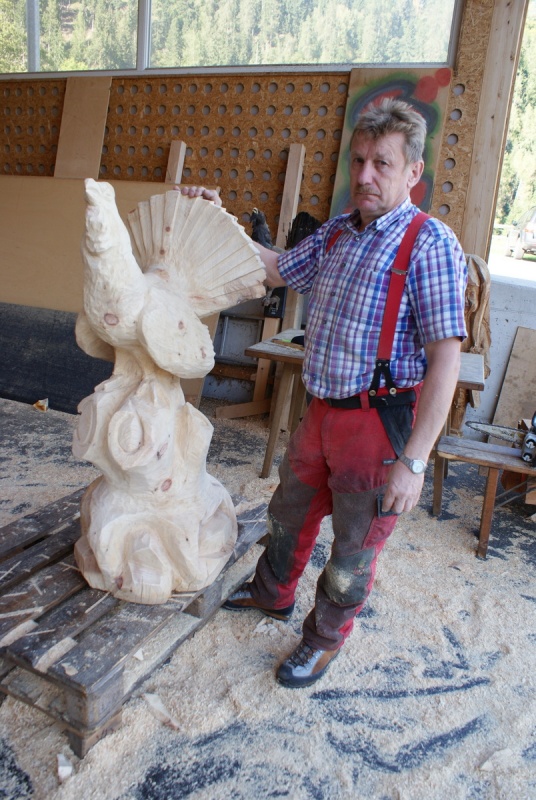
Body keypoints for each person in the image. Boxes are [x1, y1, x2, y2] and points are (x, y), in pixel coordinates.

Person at [178, 98, 467, 689]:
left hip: (376, 424)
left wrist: (414, 461)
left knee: (355, 545)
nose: (365, 174)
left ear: (413, 171)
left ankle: (323, 639)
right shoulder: (337, 232)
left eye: (382, 163)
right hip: (321, 411)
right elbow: (274, 268)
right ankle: (272, 593)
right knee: (290, 511)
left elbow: (446, 361)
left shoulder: (430, 244)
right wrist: (216, 219)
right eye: (359, 161)